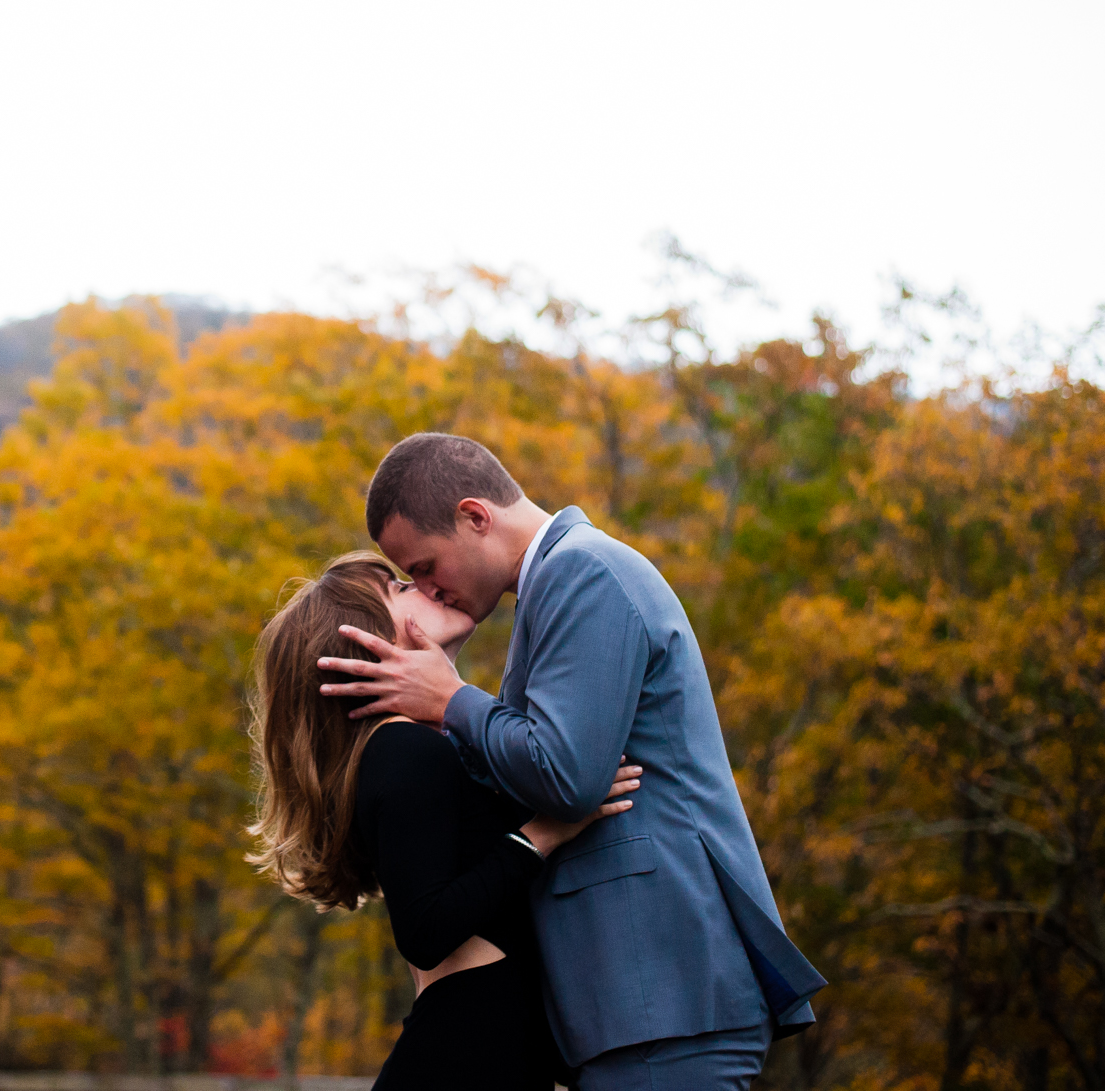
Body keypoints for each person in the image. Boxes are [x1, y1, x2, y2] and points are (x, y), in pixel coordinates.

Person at [317, 433, 827, 1090]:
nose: (427, 588)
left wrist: (450, 701)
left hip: (662, 995)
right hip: (634, 1003)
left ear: (476, 516)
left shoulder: (581, 573)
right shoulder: (552, 589)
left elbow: (569, 775)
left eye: (423, 564)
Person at [249, 550, 642, 1091]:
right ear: (368, 644)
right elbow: (426, 929)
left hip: (476, 1045)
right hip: (467, 1052)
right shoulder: (404, 748)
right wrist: (544, 833)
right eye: (401, 589)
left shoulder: (417, 746)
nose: (426, 587)